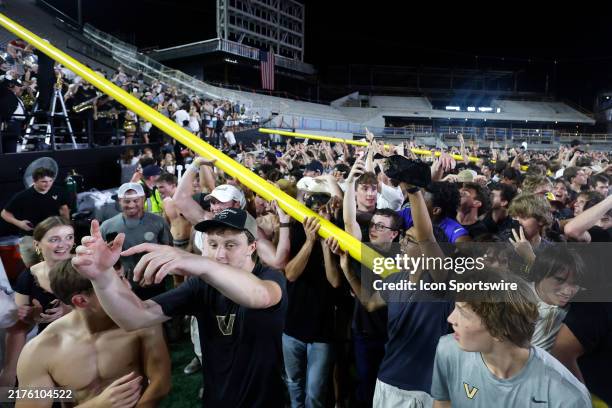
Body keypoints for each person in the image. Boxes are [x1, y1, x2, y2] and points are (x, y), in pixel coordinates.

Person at [72, 209, 288, 407]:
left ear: (252, 247)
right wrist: (102, 276)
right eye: (212, 245)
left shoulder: (270, 278)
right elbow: (136, 317)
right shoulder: (201, 285)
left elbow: (260, 296)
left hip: (265, 401)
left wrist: (199, 262)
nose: (220, 254)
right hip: (217, 400)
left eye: (230, 245)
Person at [15, 259, 171, 407]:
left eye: (123, 278)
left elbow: (160, 383)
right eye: (115, 284)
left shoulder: (141, 322)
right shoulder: (39, 351)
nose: (128, 286)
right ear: (81, 301)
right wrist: (96, 406)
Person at [431, 269, 591, 408]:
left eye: (463, 313)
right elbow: (443, 403)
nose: (451, 319)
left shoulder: (568, 397)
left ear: (499, 330)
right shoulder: (448, 350)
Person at [0, 217, 74, 387]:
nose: (64, 244)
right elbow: (19, 326)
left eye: (69, 237)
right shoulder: (27, 277)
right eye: (54, 239)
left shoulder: (86, 267)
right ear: (37, 245)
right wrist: (30, 315)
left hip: (86, 344)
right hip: (48, 348)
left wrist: (71, 311)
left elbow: (109, 311)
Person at [99, 182, 172, 300]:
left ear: (143, 199)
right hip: (120, 287)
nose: (131, 205)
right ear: (119, 201)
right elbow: (101, 259)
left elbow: (168, 251)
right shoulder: (107, 227)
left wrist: (154, 272)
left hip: (153, 284)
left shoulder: (158, 222)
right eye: (127, 201)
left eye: (136, 200)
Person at [1, 167, 70, 235]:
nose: (48, 184)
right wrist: (19, 223)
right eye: (44, 181)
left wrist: (67, 226)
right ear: (34, 181)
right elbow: (4, 213)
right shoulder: (23, 195)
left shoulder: (59, 191)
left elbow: (64, 209)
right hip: (31, 234)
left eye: (50, 181)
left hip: (55, 232)